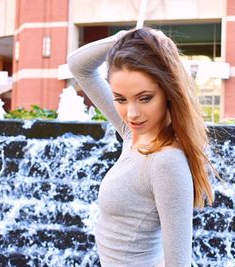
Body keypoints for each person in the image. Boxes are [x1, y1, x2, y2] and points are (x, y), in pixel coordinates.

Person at [68, 27, 214, 267]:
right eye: (120, 99)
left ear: (168, 91)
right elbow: (78, 66)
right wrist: (123, 38)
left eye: (145, 98)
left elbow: (179, 264)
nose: (132, 113)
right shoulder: (132, 134)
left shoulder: (166, 161)